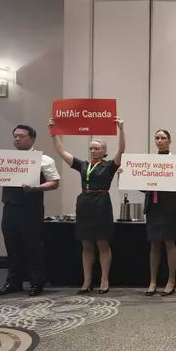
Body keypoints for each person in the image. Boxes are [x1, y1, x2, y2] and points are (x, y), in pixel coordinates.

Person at [0, 125, 60, 297]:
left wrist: (37, 188)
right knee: (12, 245)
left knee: (33, 246)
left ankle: (36, 282)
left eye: (21, 136)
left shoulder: (44, 159)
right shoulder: (5, 160)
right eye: (15, 136)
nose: (17, 139)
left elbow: (54, 182)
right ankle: (13, 281)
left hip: (31, 208)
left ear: (32, 138)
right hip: (10, 208)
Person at [50, 117, 125, 294]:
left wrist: (121, 129)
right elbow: (62, 152)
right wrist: (54, 132)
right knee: (86, 244)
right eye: (91, 148)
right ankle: (87, 280)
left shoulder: (109, 166)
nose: (93, 151)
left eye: (97, 148)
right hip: (84, 204)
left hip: (102, 204)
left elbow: (121, 149)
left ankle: (104, 279)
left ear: (104, 151)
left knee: (102, 243)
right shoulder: (83, 165)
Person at [138, 130, 176, 296]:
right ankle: (152, 281)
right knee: (154, 244)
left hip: (169, 207)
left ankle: (171, 280)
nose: (159, 141)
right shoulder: (149, 162)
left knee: (169, 243)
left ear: (169, 141)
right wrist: (127, 177)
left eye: (163, 138)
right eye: (157, 138)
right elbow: (142, 186)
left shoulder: (175, 162)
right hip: (153, 208)